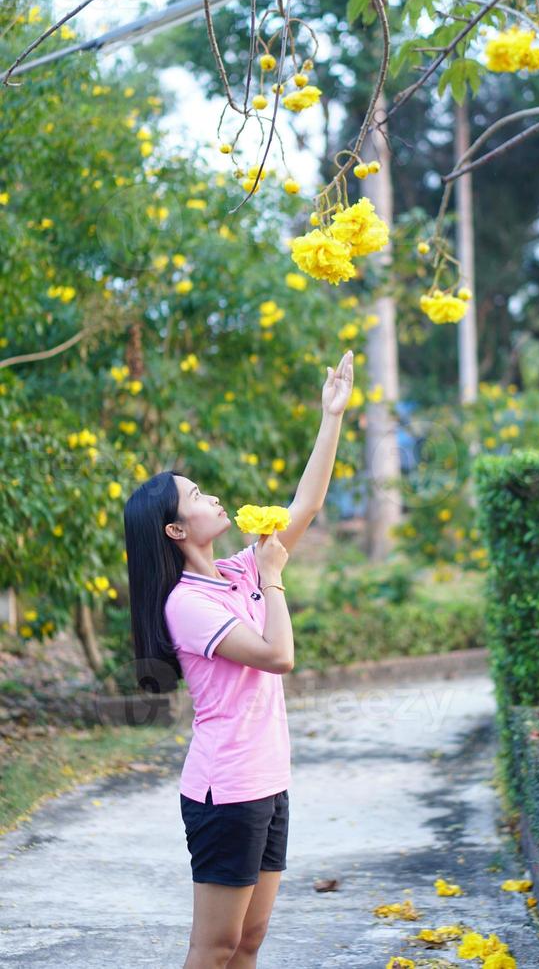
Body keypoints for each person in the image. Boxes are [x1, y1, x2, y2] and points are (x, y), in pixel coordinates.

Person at [123, 349, 354, 968]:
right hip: (226, 792)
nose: (211, 496)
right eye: (196, 496)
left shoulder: (235, 570)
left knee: (249, 943)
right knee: (215, 945)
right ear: (176, 530)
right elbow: (278, 656)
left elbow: (304, 507)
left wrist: (330, 417)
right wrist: (274, 579)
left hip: (269, 779)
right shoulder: (186, 605)